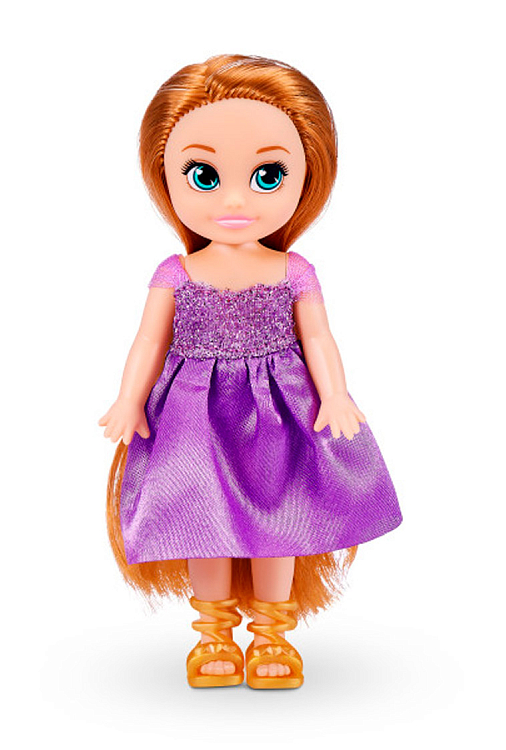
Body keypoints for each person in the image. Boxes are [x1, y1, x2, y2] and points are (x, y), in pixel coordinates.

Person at [99, 54, 402, 689]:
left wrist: (335, 394)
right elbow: (148, 339)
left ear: (306, 176)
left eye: (267, 175)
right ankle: (213, 636)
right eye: (204, 175)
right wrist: (129, 399)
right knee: (200, 517)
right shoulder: (176, 273)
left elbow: (317, 335)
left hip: (279, 410)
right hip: (192, 415)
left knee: (278, 518)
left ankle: (272, 637)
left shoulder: (294, 271)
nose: (235, 199)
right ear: (165, 176)